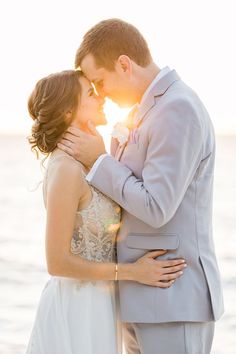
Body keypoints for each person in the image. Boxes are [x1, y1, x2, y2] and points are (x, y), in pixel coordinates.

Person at [58, 19, 224, 354]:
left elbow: (157, 206)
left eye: (99, 81)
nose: (99, 93)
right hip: (140, 297)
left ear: (124, 64)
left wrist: (100, 161)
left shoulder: (177, 108)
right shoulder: (143, 112)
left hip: (172, 299)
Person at [26, 70, 186, 354]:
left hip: (102, 303)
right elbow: (57, 262)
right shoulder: (66, 169)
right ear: (67, 112)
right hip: (76, 305)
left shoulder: (91, 164)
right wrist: (133, 273)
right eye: (90, 93)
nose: (100, 97)